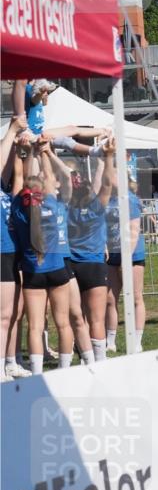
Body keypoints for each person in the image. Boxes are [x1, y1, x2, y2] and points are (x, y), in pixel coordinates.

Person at [11, 141, 73, 373]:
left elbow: (20, 175)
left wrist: (24, 152)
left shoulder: (18, 210)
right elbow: (49, 176)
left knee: (35, 327)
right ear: (43, 191)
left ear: (24, 193)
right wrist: (44, 151)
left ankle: (37, 374)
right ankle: (64, 369)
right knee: (63, 323)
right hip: (57, 268)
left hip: (32, 271)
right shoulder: (53, 204)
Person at [64, 138, 116, 363]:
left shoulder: (65, 208)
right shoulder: (96, 206)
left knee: (78, 318)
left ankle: (87, 359)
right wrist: (107, 158)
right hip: (93, 265)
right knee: (97, 319)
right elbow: (105, 184)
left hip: (72, 266)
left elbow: (100, 184)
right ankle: (99, 361)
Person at [1, 117, 31, 379]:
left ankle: (12, 360)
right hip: (1, 252)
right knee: (4, 313)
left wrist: (23, 148)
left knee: (16, 312)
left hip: (15, 252)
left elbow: (19, 171)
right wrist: (11, 130)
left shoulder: (10, 191)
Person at [105, 180, 147, 353]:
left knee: (136, 297)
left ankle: (137, 341)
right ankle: (110, 341)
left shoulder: (130, 199)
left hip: (132, 255)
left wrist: (126, 258)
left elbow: (134, 228)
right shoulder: (107, 198)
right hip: (111, 254)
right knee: (110, 299)